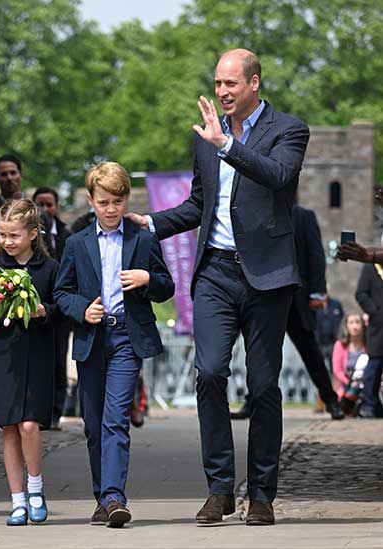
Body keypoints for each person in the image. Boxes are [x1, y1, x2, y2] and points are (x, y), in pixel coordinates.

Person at [126, 49, 310, 525]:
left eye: (231, 83)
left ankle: (263, 493)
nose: (222, 92)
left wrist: (227, 146)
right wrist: (150, 221)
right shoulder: (208, 137)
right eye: (218, 83)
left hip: (268, 277)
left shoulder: (288, 130)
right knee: (208, 373)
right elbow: (198, 206)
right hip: (215, 274)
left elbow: (278, 176)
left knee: (265, 385)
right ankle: (220, 488)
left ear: (254, 82)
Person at [54, 161, 174, 528]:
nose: (111, 209)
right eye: (103, 202)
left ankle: (114, 496)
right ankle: (101, 496)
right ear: (91, 201)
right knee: (92, 424)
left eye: (117, 201)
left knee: (115, 419)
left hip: (126, 337)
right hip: (92, 338)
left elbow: (166, 285)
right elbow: (61, 292)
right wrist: (81, 310)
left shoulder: (143, 239)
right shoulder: (77, 243)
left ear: (125, 200)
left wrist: (146, 278)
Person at [0, 199, 60, 526]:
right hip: (2, 355)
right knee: (9, 428)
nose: (7, 241)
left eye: (14, 235)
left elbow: (60, 307)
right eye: (3, 234)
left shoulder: (49, 269)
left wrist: (42, 311)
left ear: (33, 234)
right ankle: (17, 500)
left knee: (29, 424)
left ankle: (35, 487)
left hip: (35, 355)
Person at [230, 204, 345, 420]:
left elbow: (315, 255)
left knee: (311, 352)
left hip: (297, 299)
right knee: (260, 352)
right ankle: (252, 400)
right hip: (267, 295)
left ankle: (331, 401)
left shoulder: (303, 216)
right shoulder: (258, 213)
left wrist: (317, 293)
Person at [33, 187, 72, 430]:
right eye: (40, 204)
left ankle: (55, 412)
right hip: (35, 306)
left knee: (59, 361)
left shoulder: (67, 234)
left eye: (49, 205)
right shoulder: (31, 234)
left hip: (61, 309)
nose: (45, 209)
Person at [354, 263, 383, 418]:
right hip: (378, 327)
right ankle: (368, 405)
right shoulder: (370, 268)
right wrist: (374, 311)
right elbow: (361, 294)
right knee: (374, 367)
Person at [332, 313, 367, 402]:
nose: (355, 326)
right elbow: (337, 370)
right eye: (351, 323)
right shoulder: (339, 345)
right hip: (346, 386)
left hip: (366, 384)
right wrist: (350, 383)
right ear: (346, 326)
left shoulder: (369, 345)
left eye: (357, 322)